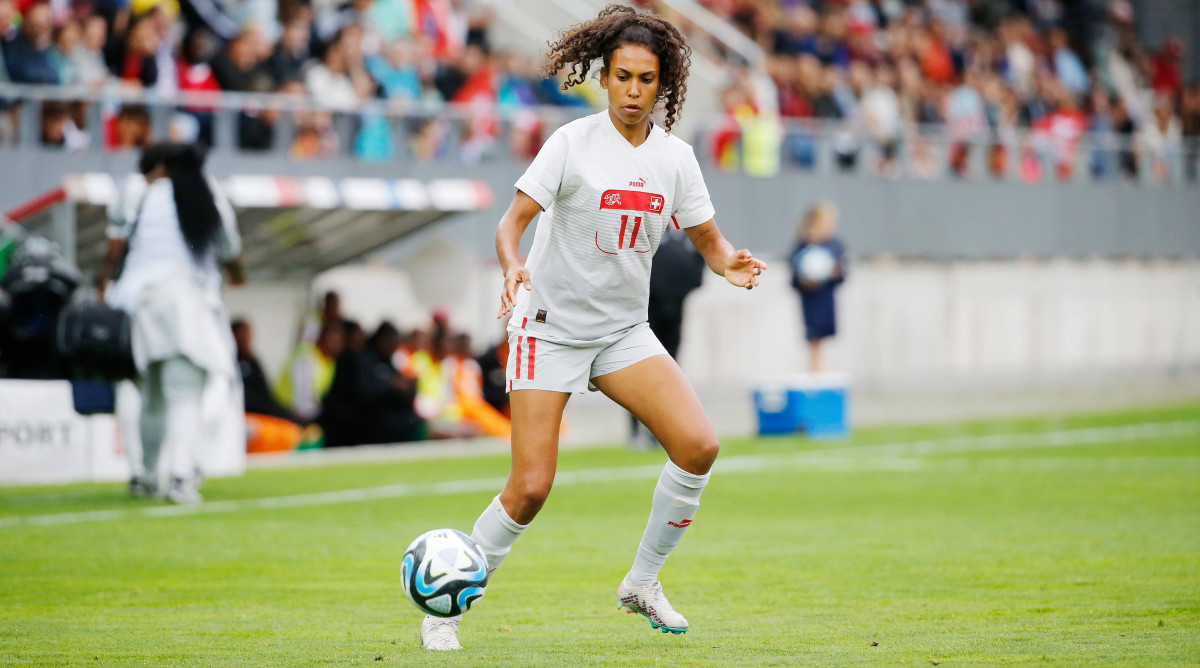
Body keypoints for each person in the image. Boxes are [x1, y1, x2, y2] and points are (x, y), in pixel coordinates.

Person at [417, 4, 766, 651]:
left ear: (663, 85)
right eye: (623, 77)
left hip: (621, 333)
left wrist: (730, 264)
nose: (634, 91)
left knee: (698, 447)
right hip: (548, 326)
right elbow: (510, 223)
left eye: (646, 80)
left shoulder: (676, 160)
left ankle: (642, 582)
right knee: (530, 488)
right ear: (603, 79)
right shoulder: (570, 145)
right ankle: (445, 612)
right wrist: (511, 266)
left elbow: (710, 241)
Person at [97, 142, 245, 503]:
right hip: (186, 303)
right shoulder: (207, 191)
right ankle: (180, 476)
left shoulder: (139, 192)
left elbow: (114, 249)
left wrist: (101, 286)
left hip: (139, 303)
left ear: (161, 167)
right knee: (185, 395)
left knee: (149, 395)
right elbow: (230, 253)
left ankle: (145, 475)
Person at [628, 224, 704, 448]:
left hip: (674, 314)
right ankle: (637, 430)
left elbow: (696, 274)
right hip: (644, 315)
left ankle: (661, 430)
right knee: (638, 373)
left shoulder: (680, 241)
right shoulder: (646, 236)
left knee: (668, 373)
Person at [789, 201, 846, 373]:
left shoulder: (834, 245)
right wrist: (804, 281)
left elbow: (842, 273)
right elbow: (794, 275)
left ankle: (821, 373)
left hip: (826, 299)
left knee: (823, 340)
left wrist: (835, 273)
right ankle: (816, 374)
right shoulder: (802, 246)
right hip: (810, 301)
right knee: (814, 339)